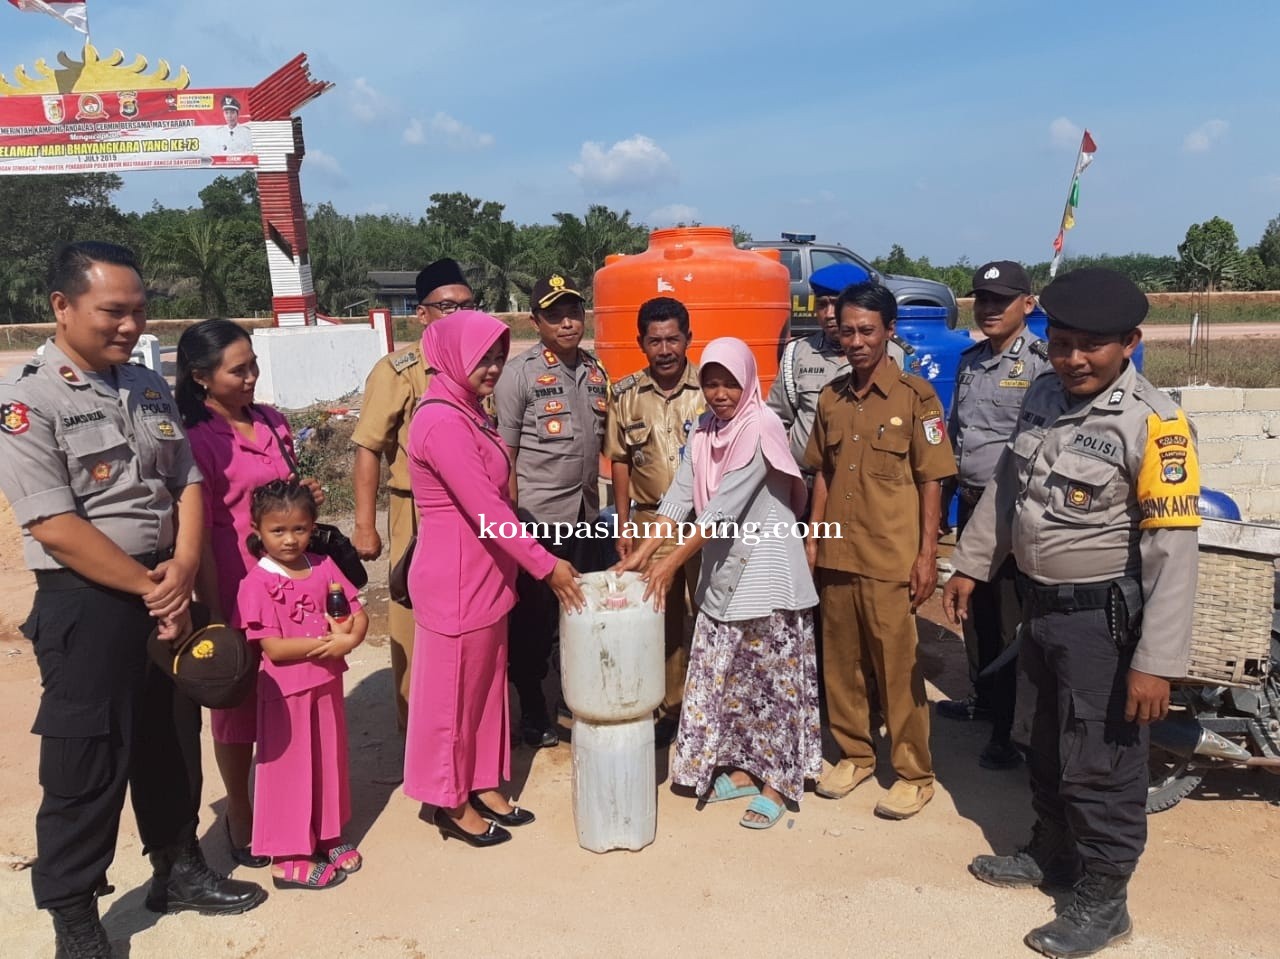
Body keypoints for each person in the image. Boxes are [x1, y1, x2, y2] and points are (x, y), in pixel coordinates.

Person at [0, 242, 264, 956]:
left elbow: (185, 477)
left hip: (165, 586)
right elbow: (53, 524)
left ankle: (177, 868)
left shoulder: (146, 385)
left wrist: (181, 564)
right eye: (112, 310)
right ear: (61, 306)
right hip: (89, 602)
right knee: (85, 761)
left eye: (137, 311)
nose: (127, 324)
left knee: (170, 742)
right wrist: (155, 586)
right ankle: (75, 915)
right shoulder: (28, 399)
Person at [942, 268, 1201, 958]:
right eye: (1062, 342)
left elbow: (1172, 548)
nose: (1074, 358)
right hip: (1042, 610)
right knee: (1045, 743)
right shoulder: (1043, 396)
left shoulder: (1155, 421)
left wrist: (1156, 663)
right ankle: (1051, 852)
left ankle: (1104, 897)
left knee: (1103, 763)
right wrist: (972, 562)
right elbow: (1006, 488)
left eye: (1092, 346)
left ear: (1129, 344)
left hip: (1103, 624)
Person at [615, 337, 821, 830]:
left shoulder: (761, 427)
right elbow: (678, 499)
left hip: (768, 575)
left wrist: (665, 568)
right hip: (726, 574)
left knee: (772, 683)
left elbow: (722, 510)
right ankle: (745, 770)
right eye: (711, 382)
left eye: (730, 382)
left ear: (749, 381)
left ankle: (777, 780)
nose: (721, 393)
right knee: (733, 680)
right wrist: (640, 555)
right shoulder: (706, 431)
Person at [402, 311, 584, 846]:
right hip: (455, 577)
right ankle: (448, 799)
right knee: (451, 695)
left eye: (499, 357)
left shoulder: (469, 411)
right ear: (455, 357)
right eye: (483, 358)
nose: (494, 368)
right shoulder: (441, 421)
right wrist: (546, 565)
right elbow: (487, 509)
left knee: (483, 691)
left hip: (485, 576)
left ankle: (480, 781)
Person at [805, 282, 956, 819]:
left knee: (898, 666)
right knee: (840, 664)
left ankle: (914, 771)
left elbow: (933, 479)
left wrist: (925, 555)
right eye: (846, 330)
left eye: (867, 330)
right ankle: (854, 753)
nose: (856, 341)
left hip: (891, 555)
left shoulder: (917, 398)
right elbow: (821, 471)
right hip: (838, 553)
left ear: (889, 331)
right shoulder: (831, 397)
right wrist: (813, 538)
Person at [177, 318, 324, 870]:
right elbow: (202, 530)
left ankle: (290, 802)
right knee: (236, 709)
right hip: (235, 587)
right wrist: (215, 609)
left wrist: (301, 498)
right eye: (238, 370)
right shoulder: (195, 440)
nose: (251, 378)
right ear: (200, 377)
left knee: (288, 698)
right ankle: (241, 810)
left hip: (290, 589)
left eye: (253, 365)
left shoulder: (273, 423)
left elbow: (277, 505)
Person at [934, 261, 1049, 771]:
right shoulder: (971, 361)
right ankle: (983, 701)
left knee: (1005, 618)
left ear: (1028, 303)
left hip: (1015, 509)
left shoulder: (1042, 365)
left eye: (1000, 301)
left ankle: (1006, 732)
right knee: (973, 611)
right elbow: (958, 433)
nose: (989, 309)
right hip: (973, 500)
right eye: (981, 300)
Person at [351, 258, 473, 731]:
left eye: (466, 305)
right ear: (421, 314)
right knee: (411, 617)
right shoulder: (399, 370)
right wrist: (364, 524)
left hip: (472, 512)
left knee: (469, 614)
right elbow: (368, 447)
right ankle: (419, 731)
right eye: (446, 306)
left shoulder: (480, 363)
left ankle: (467, 727)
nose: (458, 314)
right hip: (415, 510)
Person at [495, 272, 609, 747]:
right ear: (535, 321)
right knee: (534, 622)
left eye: (573, 312)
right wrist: (513, 526)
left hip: (586, 517)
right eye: (554, 315)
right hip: (539, 520)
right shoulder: (518, 376)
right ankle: (533, 708)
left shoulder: (596, 371)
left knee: (580, 615)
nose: (566, 323)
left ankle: (569, 701)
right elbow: (505, 457)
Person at [236, 479, 367, 890]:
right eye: (278, 530)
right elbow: (273, 648)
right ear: (257, 530)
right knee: (288, 771)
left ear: (312, 527)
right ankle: (288, 854)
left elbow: (356, 611)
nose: (289, 540)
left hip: (326, 685)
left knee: (328, 760)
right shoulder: (255, 583)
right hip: (284, 694)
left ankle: (326, 833)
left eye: (300, 529)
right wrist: (331, 642)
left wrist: (351, 637)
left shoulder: (324, 567)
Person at [605, 296, 704, 746]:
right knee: (660, 619)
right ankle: (669, 707)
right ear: (641, 343)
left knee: (708, 615)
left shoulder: (712, 387)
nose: (665, 349)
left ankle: (707, 707)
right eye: (655, 341)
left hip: (706, 525)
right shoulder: (626, 395)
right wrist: (623, 526)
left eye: (673, 339)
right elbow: (620, 461)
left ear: (688, 339)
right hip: (649, 524)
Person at [769, 261, 920, 490]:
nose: (830, 314)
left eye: (836, 304)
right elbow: (776, 418)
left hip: (871, 488)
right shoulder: (797, 353)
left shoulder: (897, 356)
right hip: (805, 484)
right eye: (822, 305)